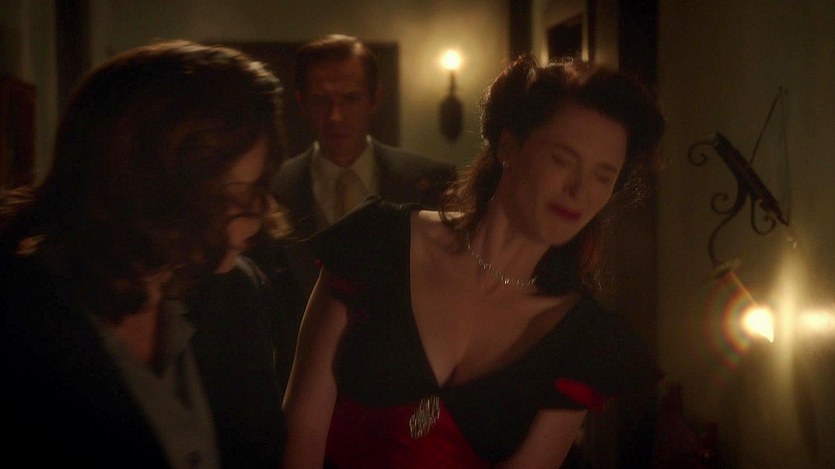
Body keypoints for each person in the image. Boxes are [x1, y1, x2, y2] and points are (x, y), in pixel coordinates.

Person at [281, 55, 665, 468]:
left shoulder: (583, 337)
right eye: (562, 159)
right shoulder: (376, 240)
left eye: (602, 176)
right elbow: (303, 428)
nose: (579, 190)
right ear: (508, 146)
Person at [1, 40, 287, 468]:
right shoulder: (21, 317)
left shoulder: (231, 292)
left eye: (261, 185)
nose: (261, 212)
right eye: (237, 193)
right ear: (150, 186)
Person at [268, 33, 457, 297]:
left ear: (374, 98)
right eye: (321, 100)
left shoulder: (430, 180)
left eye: (350, 98)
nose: (335, 117)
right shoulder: (274, 188)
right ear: (303, 103)